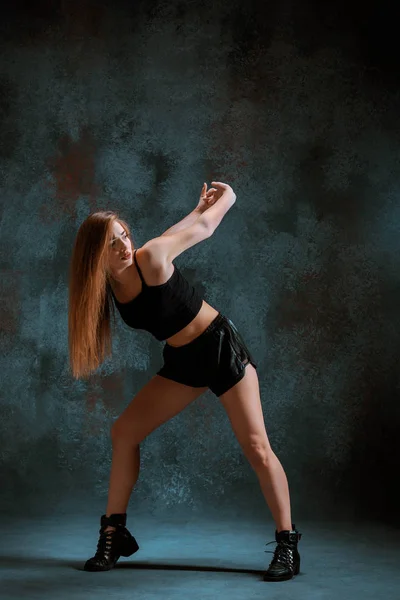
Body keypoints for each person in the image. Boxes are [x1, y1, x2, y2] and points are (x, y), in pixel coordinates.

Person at [68, 181, 302, 582]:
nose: (124, 246)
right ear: (94, 257)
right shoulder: (107, 289)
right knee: (124, 432)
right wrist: (195, 209)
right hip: (183, 361)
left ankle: (287, 545)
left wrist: (225, 198)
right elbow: (176, 232)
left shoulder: (151, 256)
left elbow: (201, 231)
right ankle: (114, 533)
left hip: (220, 349)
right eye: (111, 244)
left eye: (124, 236)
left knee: (257, 447)